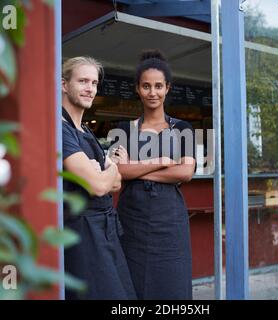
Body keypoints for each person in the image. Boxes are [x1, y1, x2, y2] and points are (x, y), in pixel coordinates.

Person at [110, 49, 196, 300]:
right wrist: (160, 162)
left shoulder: (183, 128)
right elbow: (117, 172)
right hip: (132, 219)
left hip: (170, 219)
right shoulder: (122, 129)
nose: (152, 92)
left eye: (158, 86)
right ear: (137, 88)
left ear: (168, 88)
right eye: (146, 86)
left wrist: (135, 169)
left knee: (172, 282)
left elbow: (186, 172)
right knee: (132, 280)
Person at [61, 56, 136, 300]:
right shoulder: (59, 129)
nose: (90, 88)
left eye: (93, 83)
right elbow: (99, 184)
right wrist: (112, 167)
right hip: (83, 233)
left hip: (105, 230)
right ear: (64, 85)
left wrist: (106, 170)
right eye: (82, 81)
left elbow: (115, 183)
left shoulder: (86, 131)